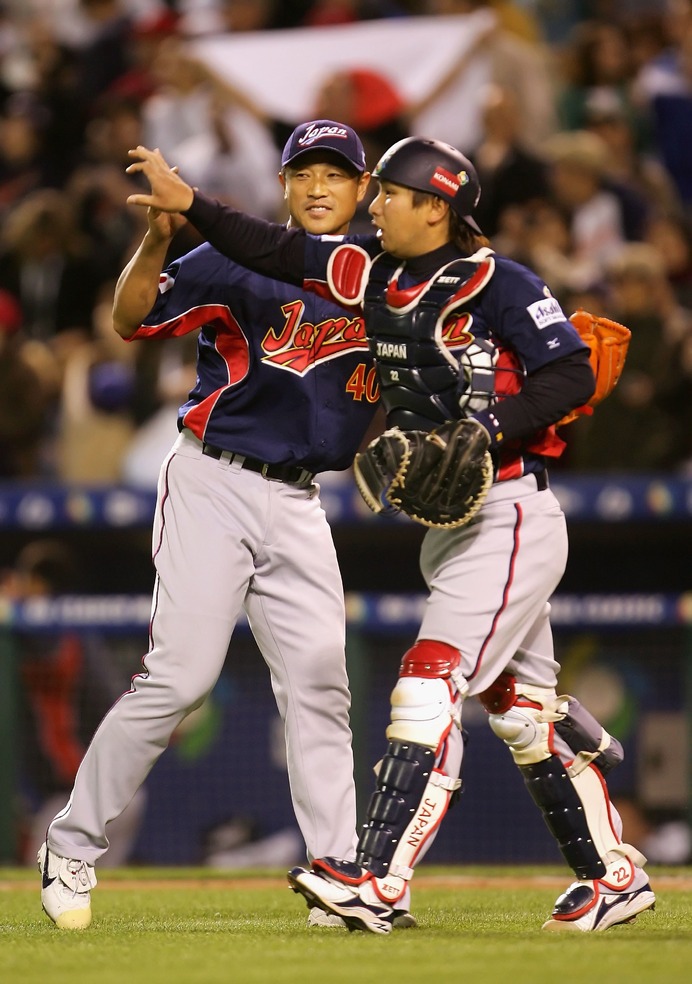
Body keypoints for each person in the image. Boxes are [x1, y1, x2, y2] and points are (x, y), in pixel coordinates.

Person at [122, 132, 657, 935]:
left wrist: (490, 431)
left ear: (435, 207)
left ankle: (377, 879)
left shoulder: (496, 281)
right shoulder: (371, 271)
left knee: (425, 682)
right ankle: (611, 877)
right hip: (455, 524)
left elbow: (573, 369)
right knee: (521, 710)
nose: (374, 205)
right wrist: (191, 203)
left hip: (511, 510)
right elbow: (271, 248)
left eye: (392, 196)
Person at [37, 119, 416, 932]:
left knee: (322, 680)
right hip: (215, 478)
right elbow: (130, 321)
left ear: (363, 192)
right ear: (282, 187)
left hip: (301, 501)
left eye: (336, 174)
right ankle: (70, 840)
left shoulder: (387, 283)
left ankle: (339, 876)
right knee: (179, 678)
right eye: (304, 172)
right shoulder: (236, 255)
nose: (319, 186)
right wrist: (154, 241)